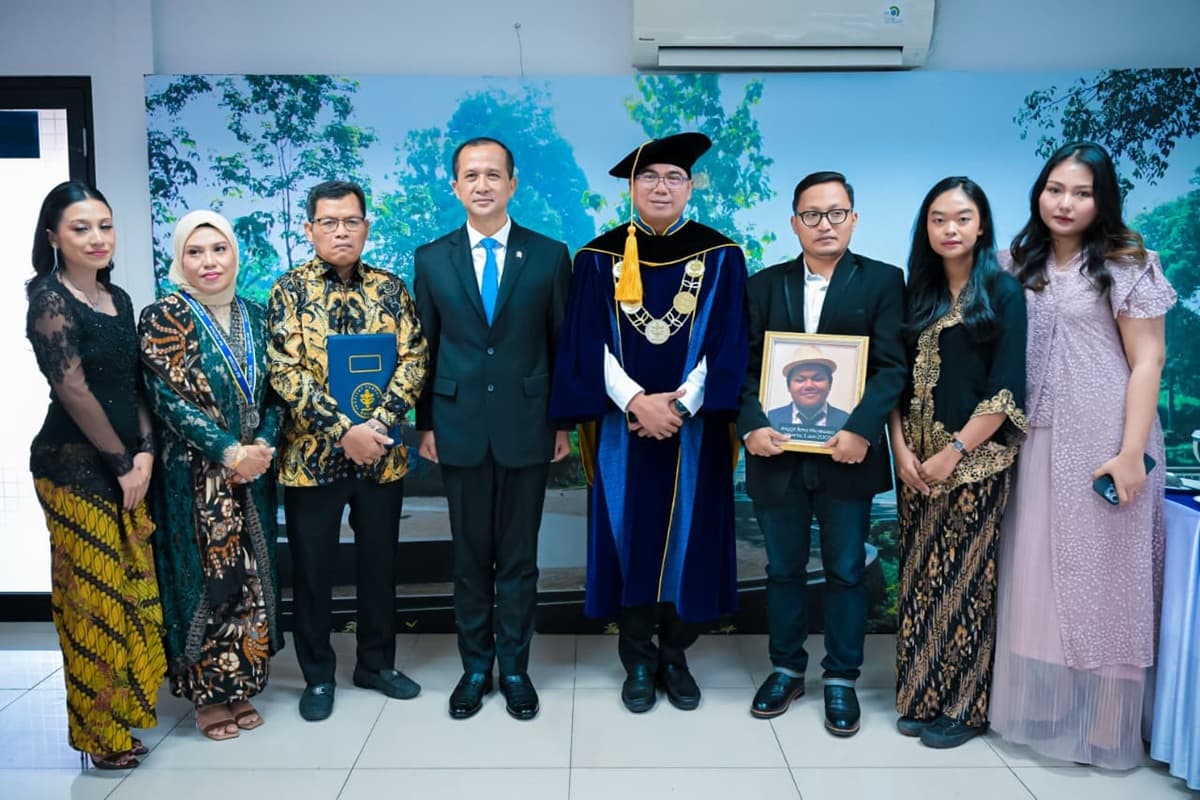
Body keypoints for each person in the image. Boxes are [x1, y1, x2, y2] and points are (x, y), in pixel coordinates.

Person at [990, 142, 1177, 768]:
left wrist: (1130, 454)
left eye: (1082, 192)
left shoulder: (1129, 262)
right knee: (1039, 576)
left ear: (1103, 200)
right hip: (1035, 439)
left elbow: (1149, 361)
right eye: (1055, 189)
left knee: (1107, 580)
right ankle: (1049, 706)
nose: (1065, 203)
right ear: (1038, 192)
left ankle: (1106, 721)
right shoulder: (1014, 260)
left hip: (1105, 440)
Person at [551, 132, 748, 713]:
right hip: (622, 429)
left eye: (674, 178)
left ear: (692, 186)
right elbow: (585, 345)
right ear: (632, 187)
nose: (661, 187)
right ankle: (638, 657)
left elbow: (731, 340)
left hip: (697, 428)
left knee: (692, 533)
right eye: (649, 177)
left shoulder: (722, 255)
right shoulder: (596, 258)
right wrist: (638, 401)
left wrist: (683, 405)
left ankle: (677, 655)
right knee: (628, 535)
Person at [738, 171, 905, 734]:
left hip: (848, 454)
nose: (824, 224)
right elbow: (742, 368)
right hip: (775, 454)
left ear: (853, 219)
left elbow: (890, 367)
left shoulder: (883, 281)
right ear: (794, 223)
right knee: (782, 569)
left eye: (836, 213)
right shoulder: (762, 286)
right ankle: (785, 668)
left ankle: (841, 679)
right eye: (812, 214)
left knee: (845, 571)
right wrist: (750, 426)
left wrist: (861, 429)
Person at [413, 137, 572, 721]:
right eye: (470, 176)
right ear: (454, 186)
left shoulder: (551, 256)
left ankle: (515, 668)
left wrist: (561, 422)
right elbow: (423, 350)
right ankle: (475, 667)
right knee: (469, 558)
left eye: (492, 175)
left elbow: (562, 347)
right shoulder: (431, 259)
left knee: (520, 558)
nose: (481, 185)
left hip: (529, 426)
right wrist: (423, 423)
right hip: (456, 428)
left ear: (512, 184)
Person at [267, 180, 428, 721]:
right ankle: (317, 675)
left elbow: (414, 359)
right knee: (313, 570)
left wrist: (377, 424)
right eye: (329, 222)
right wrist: (343, 430)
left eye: (351, 221)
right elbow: (285, 372)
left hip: (382, 456)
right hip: (311, 460)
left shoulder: (391, 288)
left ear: (366, 226)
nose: (341, 231)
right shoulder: (287, 291)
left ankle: (376, 664)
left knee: (379, 564)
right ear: (309, 228)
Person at [25, 181, 166, 769]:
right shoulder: (48, 300)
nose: (97, 238)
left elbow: (132, 386)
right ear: (54, 236)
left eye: (104, 226)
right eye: (81, 228)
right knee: (93, 605)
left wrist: (146, 454)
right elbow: (74, 390)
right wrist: (119, 462)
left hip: (126, 465)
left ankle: (127, 713)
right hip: (73, 469)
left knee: (132, 595)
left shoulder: (121, 298)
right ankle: (98, 736)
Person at [889, 177, 1027, 749]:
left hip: (974, 465)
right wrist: (900, 449)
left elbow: (1006, 391)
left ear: (981, 225)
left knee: (966, 583)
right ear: (926, 226)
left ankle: (966, 706)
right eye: (939, 219)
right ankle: (921, 695)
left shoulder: (1003, 292)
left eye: (963, 218)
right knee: (919, 582)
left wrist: (954, 452)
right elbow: (890, 379)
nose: (950, 229)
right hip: (914, 466)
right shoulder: (914, 293)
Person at [139, 210, 283, 741]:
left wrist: (263, 444)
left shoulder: (259, 315)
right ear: (180, 258)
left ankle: (240, 684)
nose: (208, 262)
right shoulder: (163, 316)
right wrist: (229, 451)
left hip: (255, 472)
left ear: (234, 255)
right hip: (196, 473)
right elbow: (168, 401)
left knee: (249, 577)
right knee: (207, 578)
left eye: (218, 250)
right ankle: (206, 694)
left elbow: (276, 394)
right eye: (195, 252)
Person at [765, 346, 852, 435]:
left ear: (830, 384)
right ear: (788, 386)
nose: (809, 385)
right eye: (800, 380)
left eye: (817, 379)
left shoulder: (848, 422)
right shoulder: (768, 419)